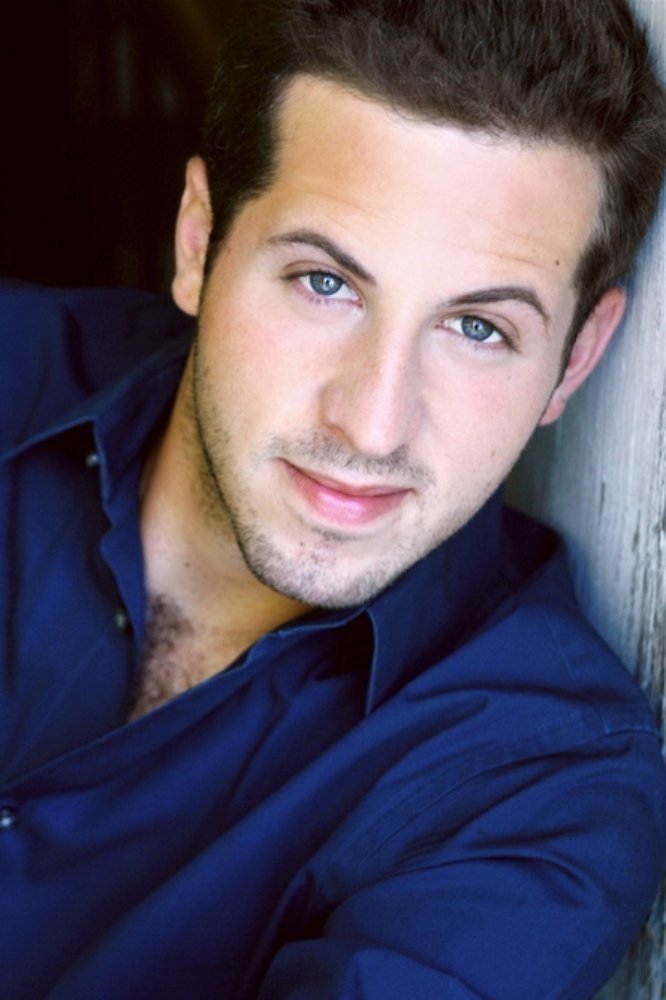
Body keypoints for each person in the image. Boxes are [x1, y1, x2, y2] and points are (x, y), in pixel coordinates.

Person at [1, 0, 665, 996]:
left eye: (478, 329)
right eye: (325, 283)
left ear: (576, 359)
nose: (373, 426)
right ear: (198, 241)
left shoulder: (534, 795)